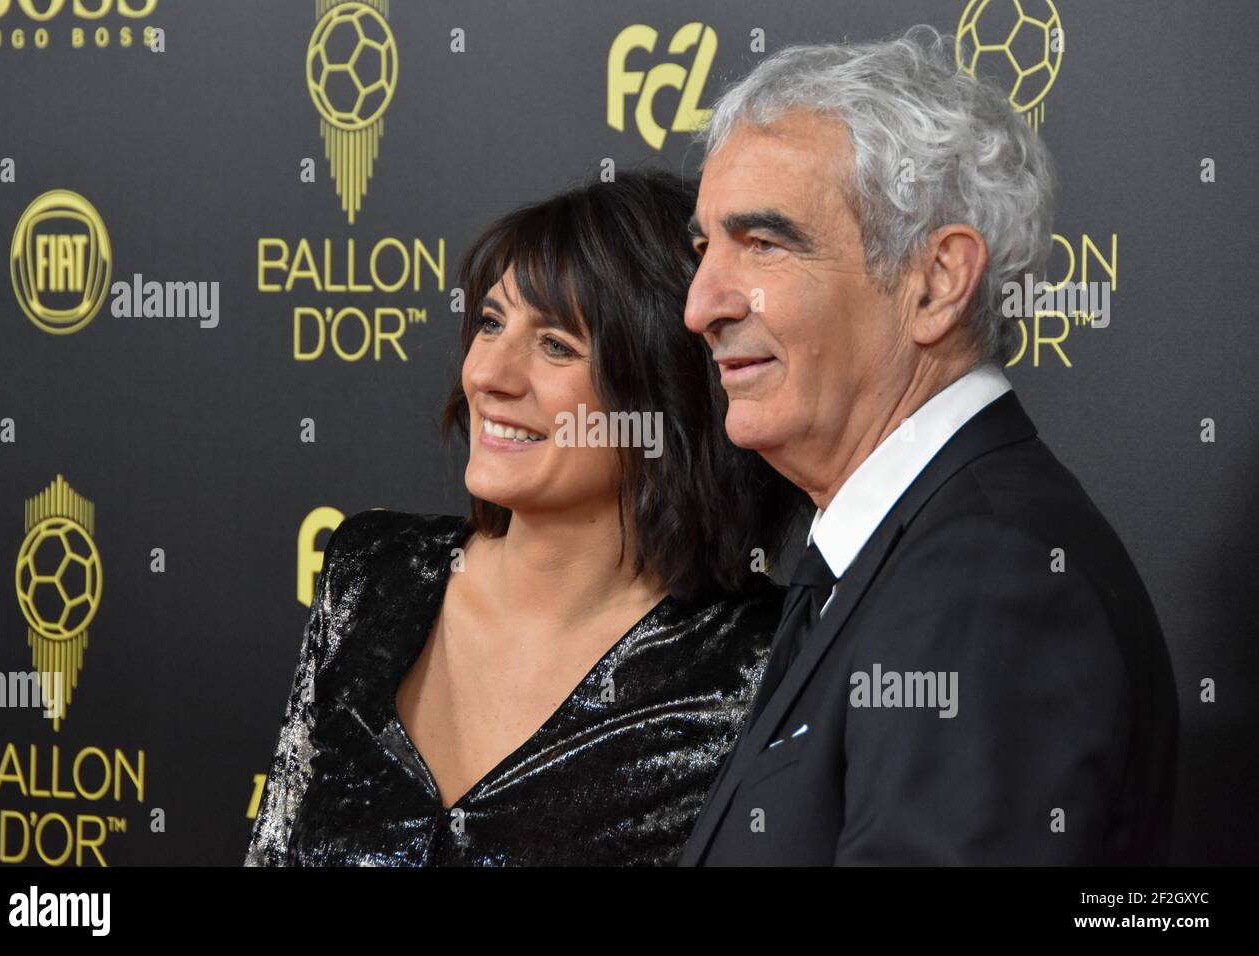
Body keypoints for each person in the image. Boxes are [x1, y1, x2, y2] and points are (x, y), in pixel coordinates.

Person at [679, 26, 1178, 865]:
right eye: (705, 248)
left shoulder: (991, 583)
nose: (701, 305)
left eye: (763, 243)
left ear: (937, 281)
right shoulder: (904, 555)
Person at [244, 168, 802, 866]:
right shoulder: (370, 571)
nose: (488, 375)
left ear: (665, 396)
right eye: (490, 322)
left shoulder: (762, 663)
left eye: (556, 345)